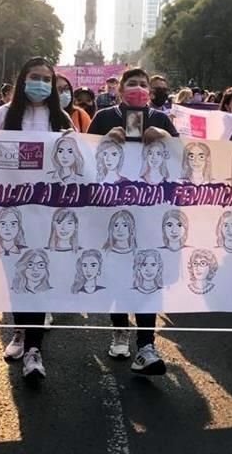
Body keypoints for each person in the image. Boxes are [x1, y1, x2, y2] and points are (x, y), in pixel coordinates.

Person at [0, 57, 73, 382]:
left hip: (47, 213)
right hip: (11, 214)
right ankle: (20, 330)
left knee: (41, 274)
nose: (41, 84)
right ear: (22, 79)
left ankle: (34, 349)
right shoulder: (4, 115)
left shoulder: (60, 119)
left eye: (46, 78)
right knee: (16, 276)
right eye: (34, 77)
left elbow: (74, 165)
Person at [87, 67, 177, 375]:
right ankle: (119, 329)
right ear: (120, 89)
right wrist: (104, 142)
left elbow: (182, 160)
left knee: (147, 275)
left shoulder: (162, 120)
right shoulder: (103, 118)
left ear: (150, 91)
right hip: (111, 212)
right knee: (116, 271)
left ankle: (147, 345)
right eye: (132, 84)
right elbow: (84, 163)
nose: (137, 88)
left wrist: (164, 138)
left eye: (143, 84)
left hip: (150, 212)